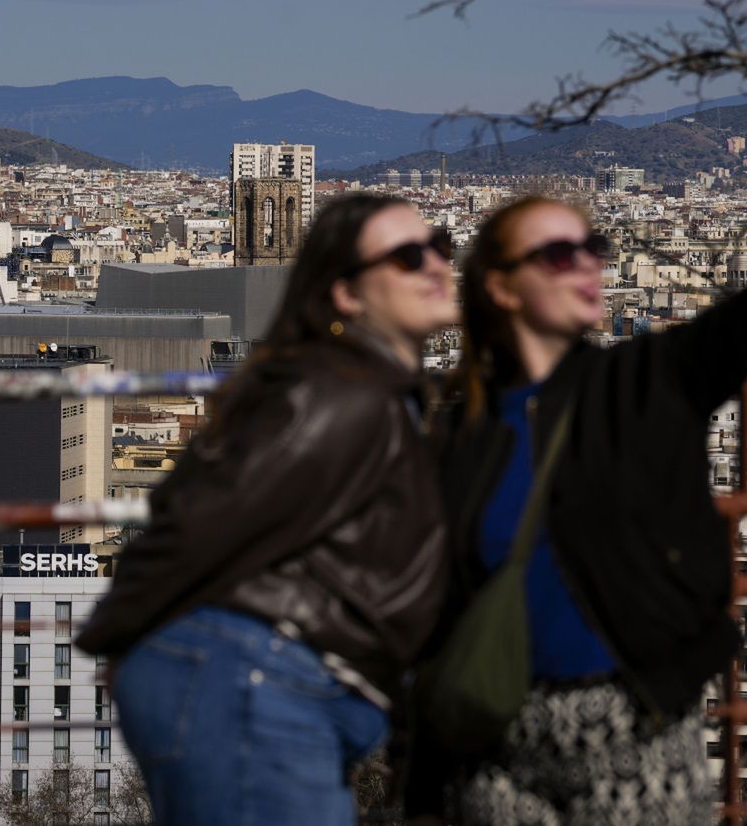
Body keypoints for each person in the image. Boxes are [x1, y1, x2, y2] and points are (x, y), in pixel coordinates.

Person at [407, 141, 747, 825]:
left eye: (594, 247)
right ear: (500, 285)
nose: (587, 265)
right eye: (559, 254)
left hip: (636, 734)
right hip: (492, 748)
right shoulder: (457, 426)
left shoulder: (642, 385)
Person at [76, 193, 460, 826]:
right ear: (345, 294)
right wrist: (116, 642)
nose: (437, 266)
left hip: (267, 689)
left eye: (440, 246)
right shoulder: (342, 396)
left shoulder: (371, 392)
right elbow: (196, 520)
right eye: (409, 256)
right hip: (250, 688)